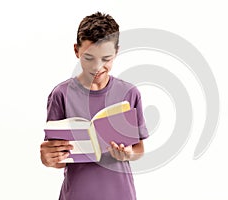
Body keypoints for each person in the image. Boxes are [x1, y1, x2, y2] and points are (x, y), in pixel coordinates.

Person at [40, 12, 149, 200]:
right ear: (76, 50)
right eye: (89, 58)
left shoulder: (129, 94)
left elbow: (139, 148)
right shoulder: (61, 95)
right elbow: (59, 158)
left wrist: (128, 154)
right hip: (77, 194)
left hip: (120, 194)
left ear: (116, 52)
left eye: (106, 59)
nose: (97, 67)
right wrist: (48, 159)